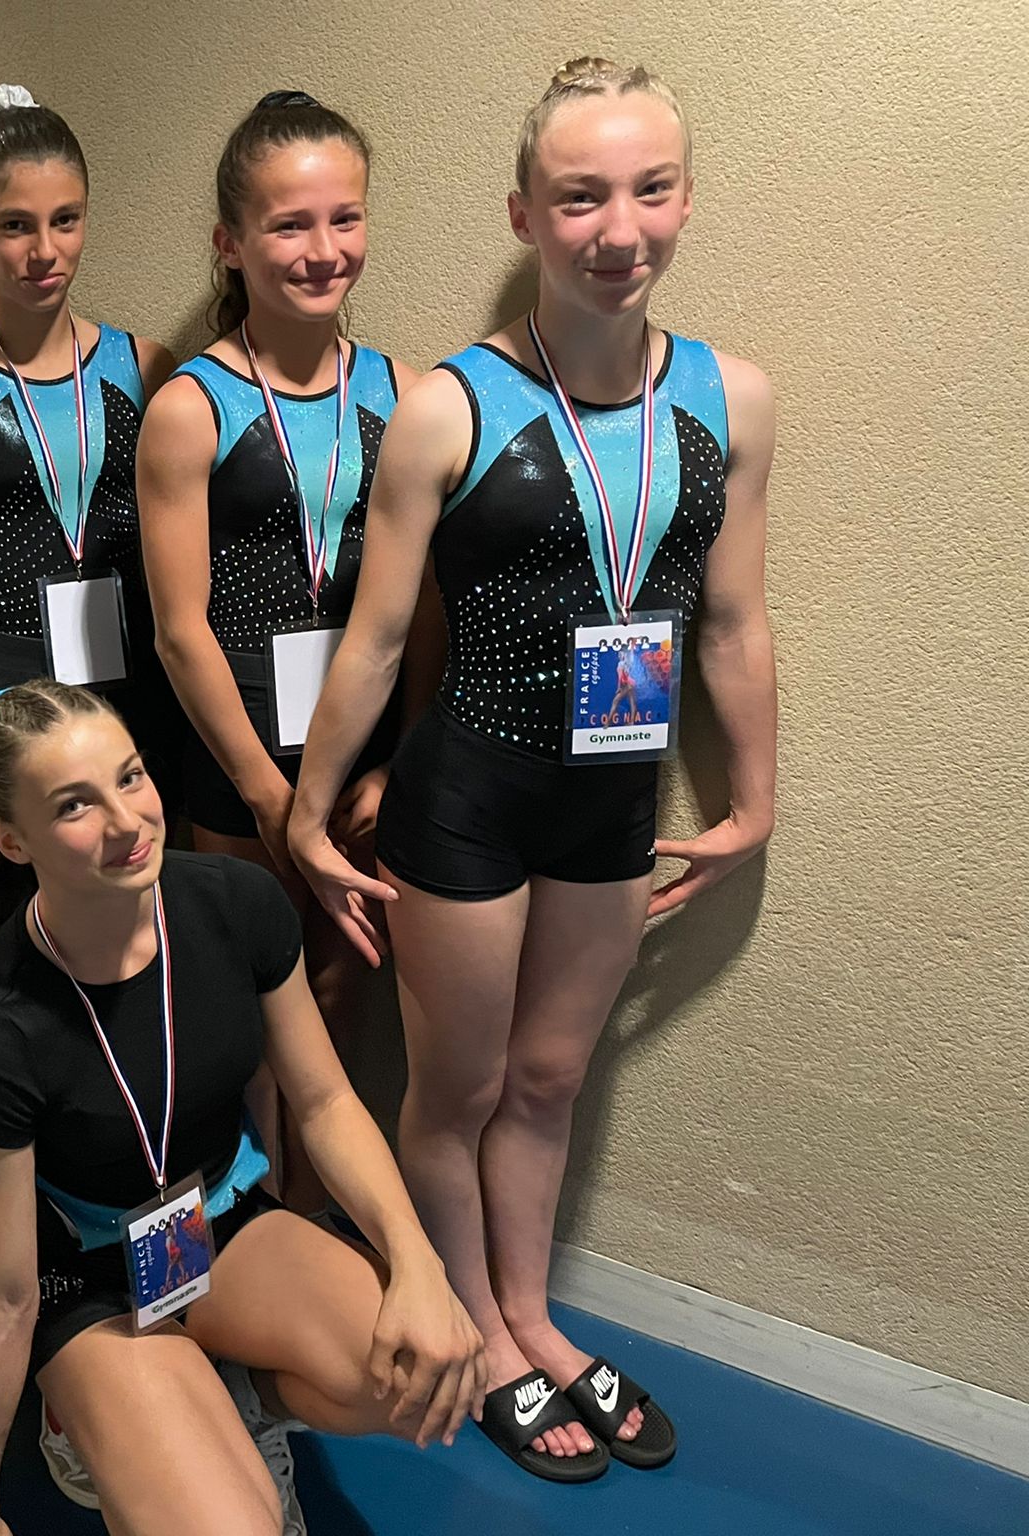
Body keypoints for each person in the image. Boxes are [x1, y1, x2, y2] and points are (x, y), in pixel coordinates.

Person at [288, 58, 777, 1481]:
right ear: (523, 213)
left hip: (614, 799)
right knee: (457, 1089)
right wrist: (307, 811)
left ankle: (529, 1313)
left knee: (551, 1080)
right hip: (468, 799)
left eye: (649, 190)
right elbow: (378, 639)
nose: (618, 229)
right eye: (579, 198)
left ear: (684, 197)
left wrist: (754, 799)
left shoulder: (733, 400)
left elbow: (731, 621)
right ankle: (475, 1330)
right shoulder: (451, 405)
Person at [0, 681, 486, 1536]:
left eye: (130, 777)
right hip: (88, 1278)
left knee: (426, 1373)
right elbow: (2, 1296)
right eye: (75, 805)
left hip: (211, 1223)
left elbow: (324, 1100)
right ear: (13, 839)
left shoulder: (235, 903)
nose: (126, 821)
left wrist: (418, 1262)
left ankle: (234, 1399)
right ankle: (85, 1418)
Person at [137, 90, 422, 1211]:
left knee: (339, 1007)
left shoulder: (403, 396)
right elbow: (179, 629)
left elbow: (422, 616)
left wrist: (391, 763)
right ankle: (246, 1240)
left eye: (343, 218)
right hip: (239, 769)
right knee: (245, 1017)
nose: (322, 250)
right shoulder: (191, 406)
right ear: (230, 240)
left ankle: (308, 1223)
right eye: (289, 224)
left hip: (360, 762)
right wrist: (266, 796)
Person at [0, 86, 179, 845]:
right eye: (16, 225)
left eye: (66, 220)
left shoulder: (145, 368)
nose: (45, 251)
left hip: (137, 685)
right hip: (11, 695)